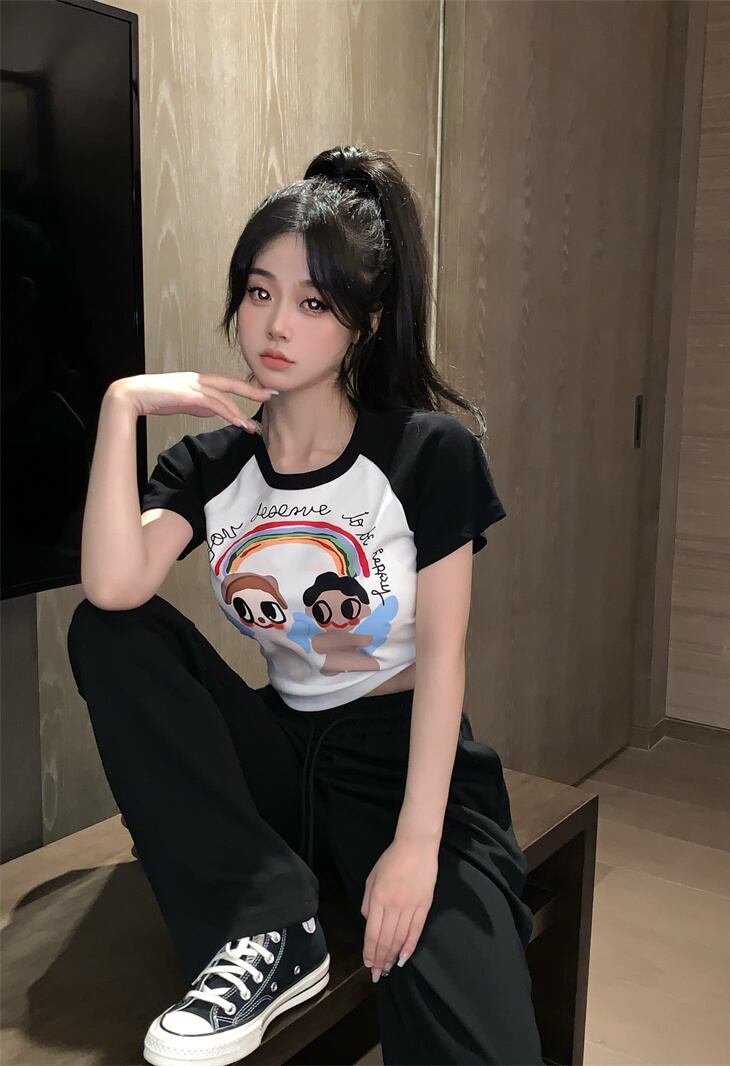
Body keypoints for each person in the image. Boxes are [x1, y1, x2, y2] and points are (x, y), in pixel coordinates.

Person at [66, 144, 545, 1066]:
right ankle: (271, 926)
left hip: (401, 759)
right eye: (259, 292)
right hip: (281, 752)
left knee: (479, 1046)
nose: (277, 324)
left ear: (365, 323)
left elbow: (445, 659)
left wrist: (417, 846)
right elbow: (113, 588)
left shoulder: (425, 455)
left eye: (315, 302)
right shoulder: (212, 464)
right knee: (109, 631)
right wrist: (123, 404)